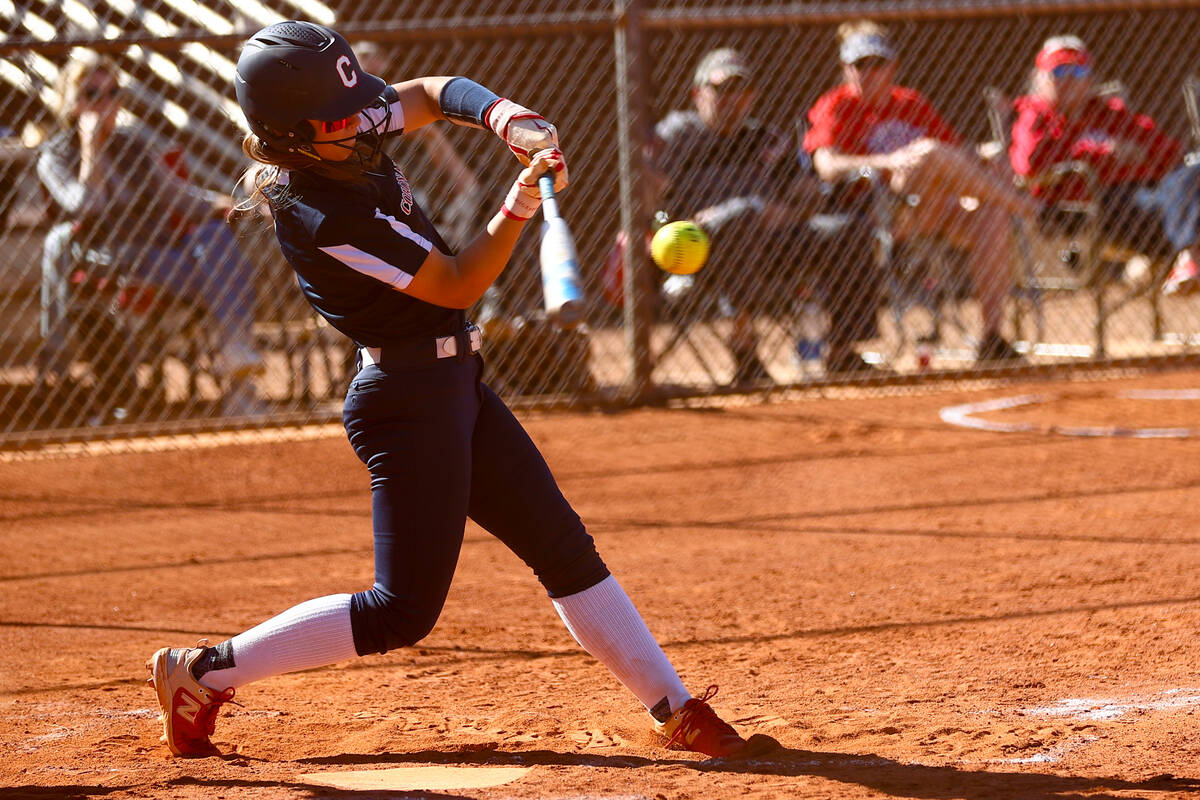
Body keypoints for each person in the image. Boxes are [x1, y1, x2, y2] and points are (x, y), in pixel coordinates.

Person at [145, 21, 776, 761]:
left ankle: (675, 708)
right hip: (404, 402)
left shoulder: (337, 126)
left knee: (564, 549)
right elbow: (458, 281)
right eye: (340, 122)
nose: (363, 124)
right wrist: (518, 204)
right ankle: (201, 672)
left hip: (455, 382)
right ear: (291, 137)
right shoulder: (322, 214)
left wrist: (506, 117)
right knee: (400, 613)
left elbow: (429, 94)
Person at [37, 51, 264, 416]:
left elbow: (179, 196)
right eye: (92, 94)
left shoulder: (134, 145)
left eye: (113, 93)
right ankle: (240, 380)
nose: (105, 104)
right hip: (105, 256)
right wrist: (90, 149)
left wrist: (229, 204)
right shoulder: (56, 156)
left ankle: (238, 361)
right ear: (71, 102)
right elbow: (86, 206)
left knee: (211, 236)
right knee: (221, 274)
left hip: (158, 255)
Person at [804, 20, 1041, 362]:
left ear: (893, 66)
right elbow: (826, 166)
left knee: (989, 212)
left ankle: (991, 337)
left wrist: (984, 155)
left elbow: (956, 154)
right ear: (844, 68)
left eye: (877, 64)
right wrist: (889, 161)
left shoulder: (911, 102)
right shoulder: (836, 105)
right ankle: (1026, 207)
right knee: (928, 153)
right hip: (880, 212)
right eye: (859, 65)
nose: (868, 73)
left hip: (934, 206)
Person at [651, 47, 882, 380]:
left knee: (846, 228)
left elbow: (807, 197)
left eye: (740, 89)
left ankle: (844, 351)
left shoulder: (766, 139)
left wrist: (781, 212)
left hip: (769, 245)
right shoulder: (676, 135)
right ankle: (746, 351)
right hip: (695, 249)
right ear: (697, 93)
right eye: (722, 89)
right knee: (740, 213)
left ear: (753, 95)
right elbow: (647, 198)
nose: (733, 99)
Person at [1009, 34, 1200, 296]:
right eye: (1060, 70)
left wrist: (1139, 155)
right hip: (1089, 208)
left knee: (1195, 169)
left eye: (1078, 71)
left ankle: (1185, 262)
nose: (1069, 79)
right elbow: (1030, 165)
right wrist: (1104, 152)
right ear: (1039, 77)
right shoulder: (1035, 115)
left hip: (1150, 198)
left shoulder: (1108, 112)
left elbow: (1170, 151)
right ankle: (1187, 259)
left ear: (1090, 78)